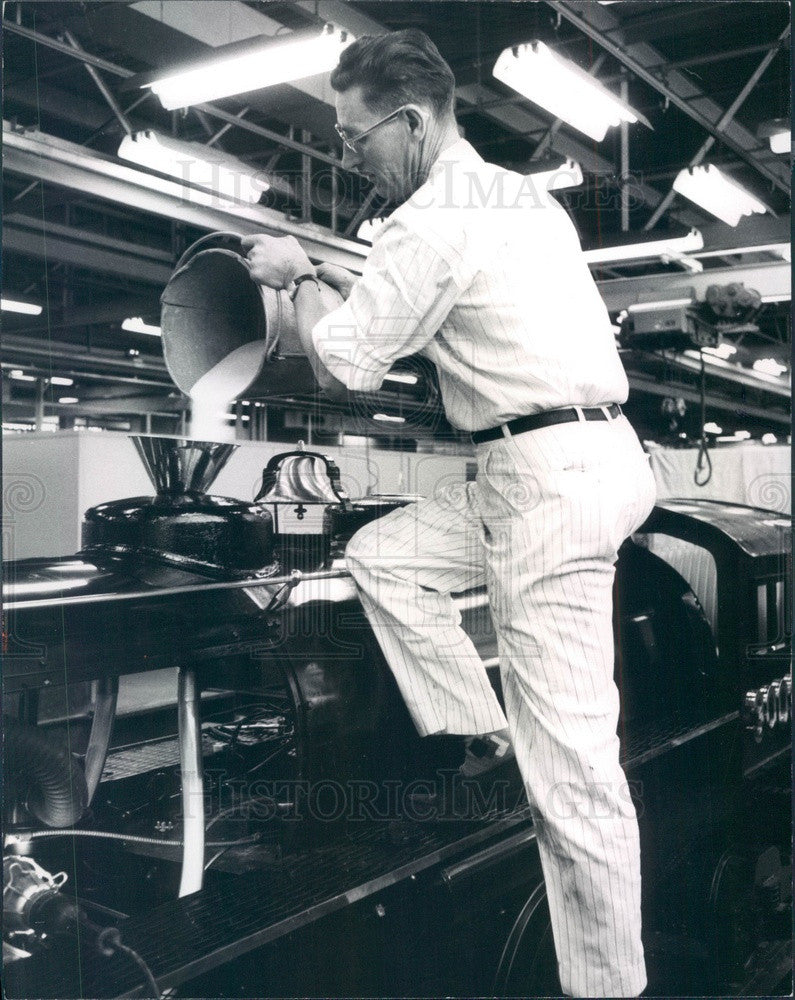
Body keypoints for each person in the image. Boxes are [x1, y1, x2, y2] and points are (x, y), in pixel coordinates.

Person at [241, 28, 656, 998]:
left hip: (543, 487)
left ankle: (611, 989)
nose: (348, 157)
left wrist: (296, 272)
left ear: (411, 121)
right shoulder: (511, 195)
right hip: (578, 459)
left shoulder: (426, 220)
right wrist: (338, 281)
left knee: (576, 783)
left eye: (353, 138)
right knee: (389, 557)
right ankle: (484, 732)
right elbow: (428, 315)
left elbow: (348, 360)